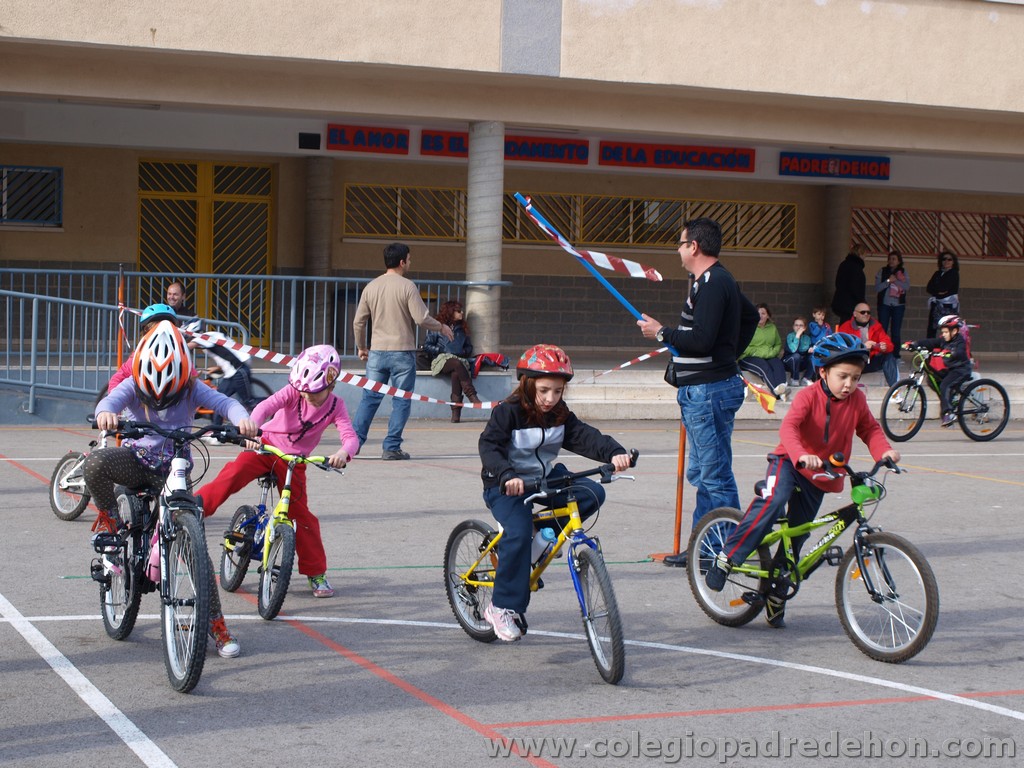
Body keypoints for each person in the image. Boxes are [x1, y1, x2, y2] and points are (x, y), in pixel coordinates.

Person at [87, 320, 259, 658]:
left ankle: (216, 624)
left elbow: (226, 403)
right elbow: (109, 401)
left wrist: (243, 419)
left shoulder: (193, 387)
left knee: (194, 548)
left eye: (169, 393)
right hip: (136, 461)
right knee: (95, 464)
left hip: (174, 469)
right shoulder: (133, 384)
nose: (160, 399)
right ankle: (111, 522)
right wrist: (106, 414)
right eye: (152, 393)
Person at [703, 333, 900, 628]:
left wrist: (884, 451)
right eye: (843, 376)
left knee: (797, 538)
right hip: (789, 462)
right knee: (775, 500)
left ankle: (776, 594)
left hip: (820, 475)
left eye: (855, 378)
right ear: (823, 372)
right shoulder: (808, 397)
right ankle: (727, 558)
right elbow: (790, 429)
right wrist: (801, 455)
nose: (849, 384)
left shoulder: (857, 400)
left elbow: (869, 429)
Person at [478, 344, 632, 642]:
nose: (551, 398)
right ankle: (501, 607)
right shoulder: (508, 412)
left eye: (558, 391)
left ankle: (541, 534)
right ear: (528, 384)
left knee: (592, 493)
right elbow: (489, 446)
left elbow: (586, 437)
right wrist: (506, 474)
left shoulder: (559, 415)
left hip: (544, 479)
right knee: (518, 532)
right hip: (506, 484)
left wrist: (614, 452)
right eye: (544, 390)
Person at [637, 216, 758, 568]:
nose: (677, 250)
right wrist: (728, 355)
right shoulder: (712, 280)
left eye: (680, 243)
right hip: (706, 389)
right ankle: (704, 548)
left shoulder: (714, 282)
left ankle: (728, 552)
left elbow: (702, 339)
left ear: (694, 246)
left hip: (709, 392)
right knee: (706, 474)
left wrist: (662, 333)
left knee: (715, 477)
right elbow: (750, 317)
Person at [195, 345, 357, 598]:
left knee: (303, 518)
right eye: (303, 391)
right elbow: (266, 407)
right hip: (266, 447)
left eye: (314, 392)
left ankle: (316, 574)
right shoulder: (293, 392)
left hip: (294, 461)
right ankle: (195, 508)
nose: (307, 396)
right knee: (233, 473)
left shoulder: (337, 406)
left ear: (331, 385)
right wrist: (252, 429)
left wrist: (343, 454)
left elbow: (350, 437)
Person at [352, 242, 454, 460]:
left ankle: (353, 444)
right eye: (409, 259)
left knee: (369, 398)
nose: (410, 262)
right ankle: (391, 447)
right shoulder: (408, 286)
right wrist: (441, 326)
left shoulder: (371, 286)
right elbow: (421, 319)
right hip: (402, 353)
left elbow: (358, 322)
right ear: (401, 262)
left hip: (377, 353)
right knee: (401, 400)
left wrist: (361, 347)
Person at [903, 314, 972, 427]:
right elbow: (931, 342)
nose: (943, 334)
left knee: (945, 385)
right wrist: (915, 344)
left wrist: (951, 353)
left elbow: (959, 352)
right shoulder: (944, 340)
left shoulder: (960, 341)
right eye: (942, 332)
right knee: (931, 380)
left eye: (946, 332)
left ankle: (948, 413)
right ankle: (948, 401)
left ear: (954, 331)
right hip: (950, 369)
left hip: (961, 370)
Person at [189, 329, 258, 435]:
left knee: (249, 402)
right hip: (232, 372)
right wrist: (217, 368)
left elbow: (186, 347)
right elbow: (227, 354)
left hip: (239, 370)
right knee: (219, 400)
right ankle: (216, 433)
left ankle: (274, 404)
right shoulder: (214, 335)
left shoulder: (205, 337)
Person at [421, 300, 480, 423]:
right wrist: (441, 350)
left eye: (461, 310)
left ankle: (455, 414)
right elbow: (427, 345)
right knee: (456, 364)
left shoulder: (462, 329)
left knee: (456, 373)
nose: (461, 313)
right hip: (441, 359)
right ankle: (471, 395)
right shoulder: (438, 327)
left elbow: (469, 347)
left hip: (458, 359)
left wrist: (462, 351)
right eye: (458, 311)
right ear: (450, 312)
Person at [107, 303, 181, 392]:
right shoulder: (138, 356)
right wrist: (116, 397)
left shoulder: (180, 355)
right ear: (146, 333)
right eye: (156, 332)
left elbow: (192, 378)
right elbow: (117, 379)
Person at [837, 303, 899, 386]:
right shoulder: (846, 327)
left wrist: (883, 347)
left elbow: (889, 345)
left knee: (889, 356)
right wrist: (862, 347)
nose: (866, 314)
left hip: (870, 361)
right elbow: (840, 348)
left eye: (868, 312)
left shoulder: (876, 325)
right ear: (855, 314)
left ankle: (895, 389)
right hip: (854, 362)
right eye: (863, 312)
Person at [739, 303, 788, 397]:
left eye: (763, 313)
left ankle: (781, 388)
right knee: (764, 366)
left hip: (769, 356)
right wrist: (758, 352)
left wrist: (773, 352)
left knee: (778, 364)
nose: (760, 316)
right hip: (748, 357)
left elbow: (778, 344)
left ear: (768, 316)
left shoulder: (772, 327)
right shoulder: (748, 327)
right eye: (758, 313)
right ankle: (777, 393)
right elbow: (742, 345)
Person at [874, 249, 910, 358]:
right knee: (882, 330)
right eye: (890, 259)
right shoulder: (882, 271)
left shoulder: (903, 272)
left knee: (896, 332)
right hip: (884, 305)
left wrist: (896, 281)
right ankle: (881, 354)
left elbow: (906, 287)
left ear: (899, 261)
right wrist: (888, 281)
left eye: (894, 259)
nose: (891, 261)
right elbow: (877, 288)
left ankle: (895, 355)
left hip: (898, 306)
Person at [925, 251, 960, 338]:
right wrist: (938, 291)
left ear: (953, 262)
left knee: (948, 328)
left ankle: (949, 345)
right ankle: (931, 345)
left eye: (949, 259)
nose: (946, 261)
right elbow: (929, 288)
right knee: (932, 329)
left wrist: (937, 289)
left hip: (948, 306)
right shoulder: (937, 273)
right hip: (936, 304)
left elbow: (944, 288)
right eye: (944, 259)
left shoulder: (954, 273)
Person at [831, 244, 866, 325]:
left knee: (844, 323)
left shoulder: (844, 264)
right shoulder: (856, 267)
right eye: (865, 254)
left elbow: (838, 282)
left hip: (841, 301)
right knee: (849, 325)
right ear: (861, 253)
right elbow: (856, 287)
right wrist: (861, 301)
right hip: (851, 304)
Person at [782, 316, 812, 387]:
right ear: (793, 327)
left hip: (801, 363)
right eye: (796, 325)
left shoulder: (807, 338)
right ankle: (794, 379)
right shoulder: (790, 336)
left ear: (805, 328)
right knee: (796, 356)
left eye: (801, 325)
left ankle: (806, 379)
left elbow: (805, 351)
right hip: (789, 362)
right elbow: (793, 350)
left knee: (813, 357)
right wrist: (797, 336)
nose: (798, 327)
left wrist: (810, 349)